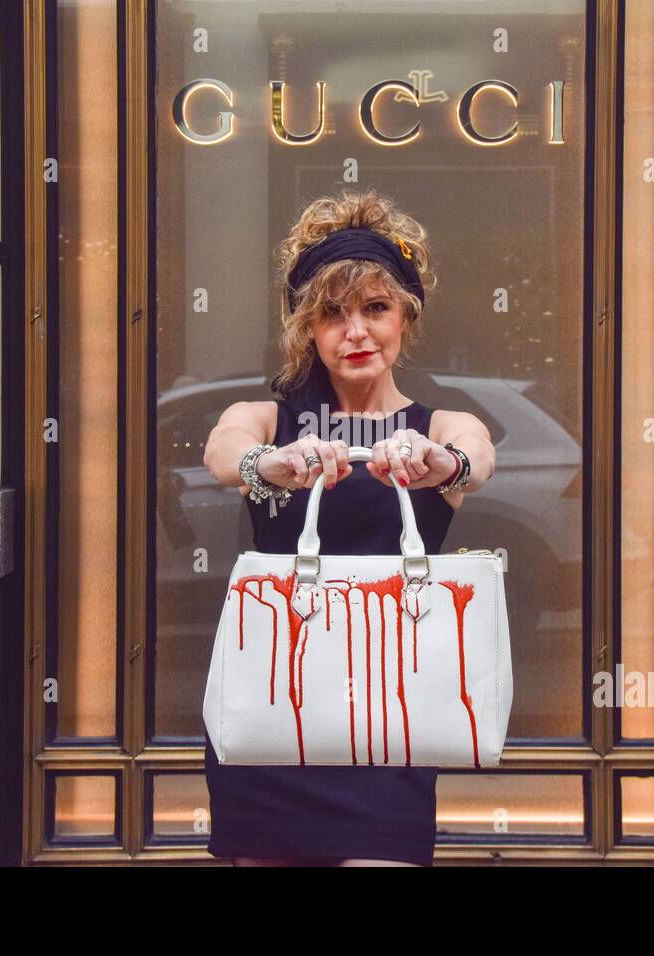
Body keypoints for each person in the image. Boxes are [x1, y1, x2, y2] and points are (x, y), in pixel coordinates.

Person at [200, 188, 496, 866]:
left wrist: (438, 464)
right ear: (308, 328)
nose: (355, 331)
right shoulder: (271, 418)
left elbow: (477, 459)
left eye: (375, 309)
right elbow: (224, 450)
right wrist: (270, 463)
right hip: (272, 708)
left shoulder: (440, 424)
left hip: (392, 716)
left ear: (405, 319)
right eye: (332, 314)